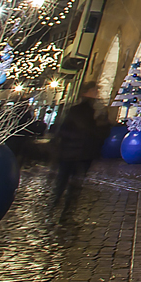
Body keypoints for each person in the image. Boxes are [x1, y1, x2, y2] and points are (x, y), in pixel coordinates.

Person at [48, 83, 108, 222]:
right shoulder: (82, 110)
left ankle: (65, 210)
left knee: (74, 183)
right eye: (94, 90)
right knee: (65, 181)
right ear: (87, 92)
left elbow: (102, 132)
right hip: (72, 152)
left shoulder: (97, 110)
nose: (96, 92)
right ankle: (56, 208)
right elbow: (85, 130)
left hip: (83, 153)